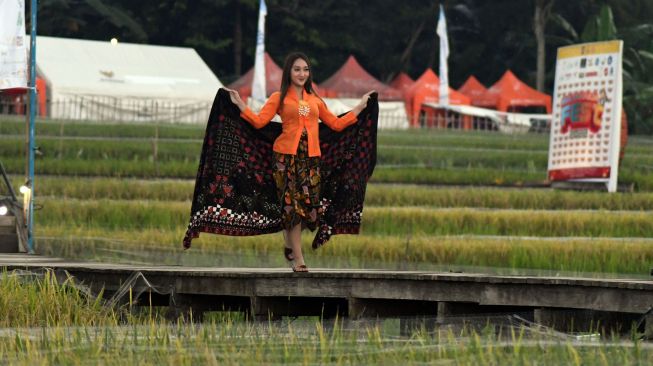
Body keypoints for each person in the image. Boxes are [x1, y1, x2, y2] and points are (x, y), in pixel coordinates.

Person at [224, 52, 373, 272]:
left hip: (311, 159)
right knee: (292, 208)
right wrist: (239, 104)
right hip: (285, 159)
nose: (302, 73)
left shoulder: (315, 99)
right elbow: (258, 122)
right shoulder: (278, 97)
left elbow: (335, 124)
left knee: (310, 211)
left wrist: (360, 107)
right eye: (297, 69)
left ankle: (288, 241)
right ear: (289, 72)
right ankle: (299, 260)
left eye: (305, 69)